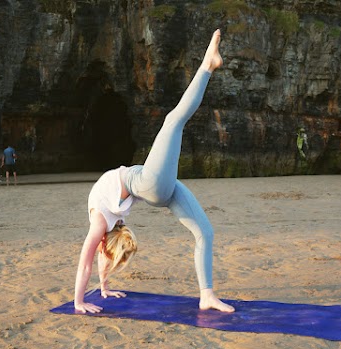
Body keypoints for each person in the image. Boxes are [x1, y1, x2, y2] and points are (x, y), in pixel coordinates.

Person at [74, 29, 235, 314]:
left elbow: (97, 255)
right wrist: (78, 301)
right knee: (173, 120)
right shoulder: (100, 223)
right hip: (148, 183)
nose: (102, 246)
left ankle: (206, 295)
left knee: (204, 233)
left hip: (159, 188)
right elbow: (86, 259)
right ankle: (207, 66)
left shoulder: (103, 226)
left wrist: (103, 288)